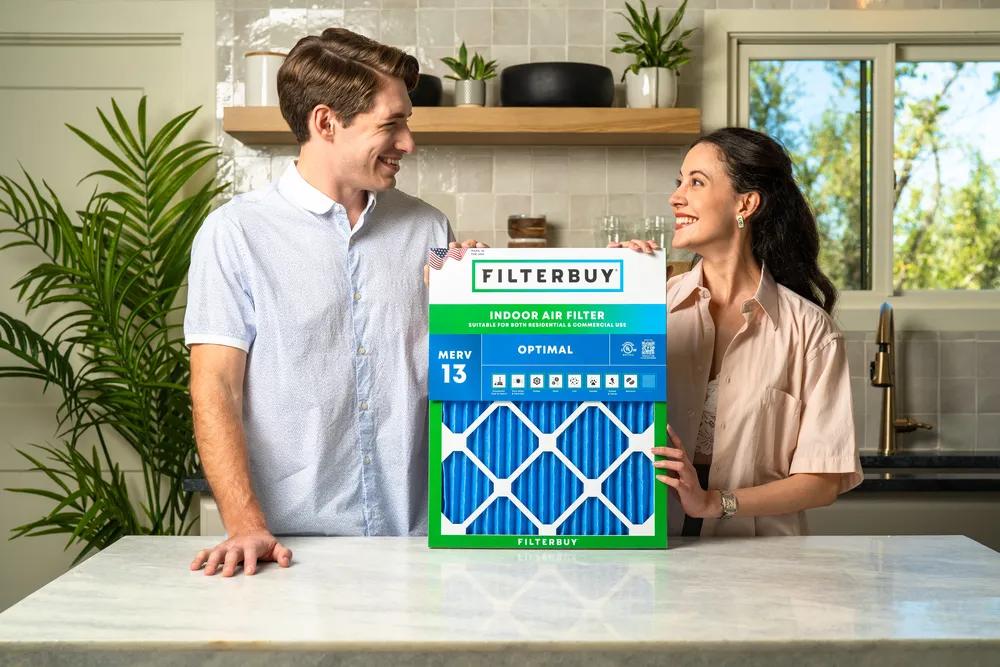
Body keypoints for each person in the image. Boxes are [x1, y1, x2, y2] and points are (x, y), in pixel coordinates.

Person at [184, 28, 482, 576]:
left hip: (416, 542)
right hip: (286, 551)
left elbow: (462, 374)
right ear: (326, 122)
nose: (409, 143)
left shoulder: (428, 228)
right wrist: (246, 524)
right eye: (391, 124)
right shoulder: (235, 234)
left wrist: (478, 303)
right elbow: (215, 386)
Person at [616, 127, 862, 537]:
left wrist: (715, 503)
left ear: (745, 203)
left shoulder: (810, 331)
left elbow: (824, 481)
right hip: (654, 550)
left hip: (761, 564)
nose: (676, 197)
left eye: (696, 182)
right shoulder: (650, 310)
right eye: (679, 182)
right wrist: (612, 294)